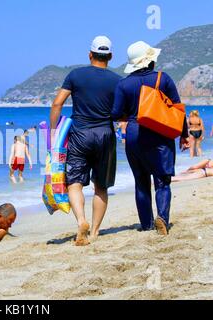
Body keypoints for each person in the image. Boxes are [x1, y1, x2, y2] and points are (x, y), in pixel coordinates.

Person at [111, 41, 190, 236]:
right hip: (160, 132)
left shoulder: (123, 84)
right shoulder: (163, 79)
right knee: (162, 181)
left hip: (134, 133)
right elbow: (178, 108)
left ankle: (146, 225)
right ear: (150, 61)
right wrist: (184, 135)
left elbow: (115, 113)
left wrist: (130, 114)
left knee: (141, 181)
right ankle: (162, 218)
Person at [50, 36, 121, 246]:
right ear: (110, 56)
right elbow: (121, 111)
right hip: (105, 134)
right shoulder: (117, 81)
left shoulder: (75, 75)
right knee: (101, 186)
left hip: (80, 134)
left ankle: (81, 221)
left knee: (74, 182)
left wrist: (54, 132)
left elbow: (57, 104)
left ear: (90, 54)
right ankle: (95, 232)